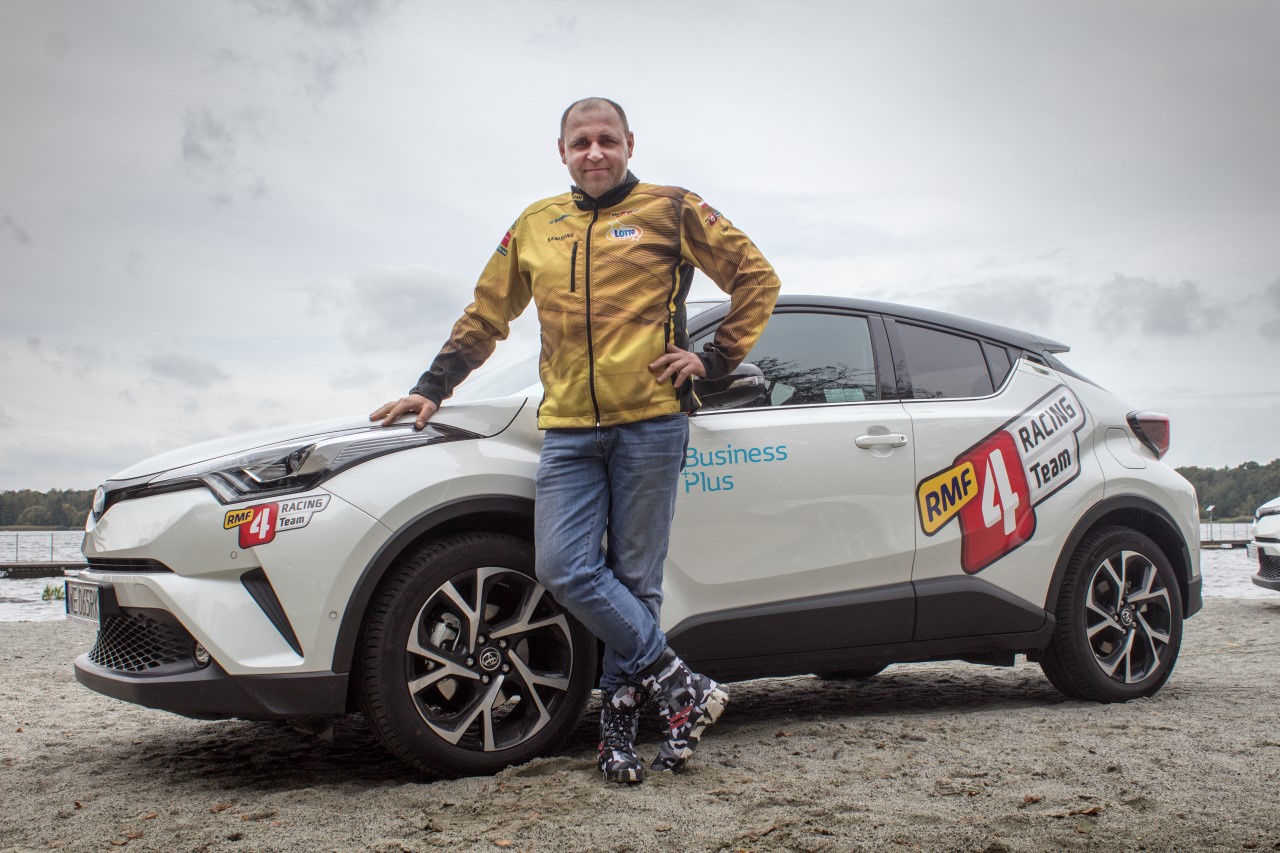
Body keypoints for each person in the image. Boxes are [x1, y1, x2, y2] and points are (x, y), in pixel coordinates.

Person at [370, 97, 780, 784]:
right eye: (581, 141)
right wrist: (433, 387)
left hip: (651, 422)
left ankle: (618, 736)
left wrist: (713, 360)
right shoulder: (536, 224)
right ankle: (681, 686)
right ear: (561, 151)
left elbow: (757, 279)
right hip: (566, 430)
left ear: (629, 144)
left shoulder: (672, 207)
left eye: (607, 140)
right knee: (565, 569)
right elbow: (487, 314)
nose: (595, 152)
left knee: (636, 583)